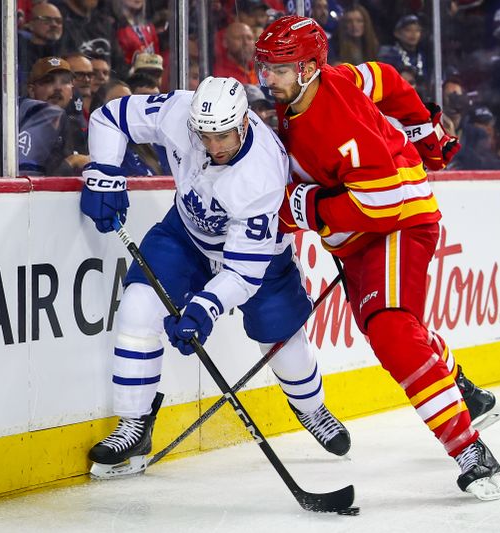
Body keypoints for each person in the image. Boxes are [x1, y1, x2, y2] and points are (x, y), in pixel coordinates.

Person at [255, 16, 500, 501]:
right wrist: (423, 131)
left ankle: (469, 451)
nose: (269, 78)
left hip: (397, 223)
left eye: (280, 68)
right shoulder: (329, 80)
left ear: (309, 67)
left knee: (391, 329)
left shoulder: (335, 119)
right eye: (265, 66)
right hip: (360, 236)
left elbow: (381, 203)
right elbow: (387, 78)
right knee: (395, 326)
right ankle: (464, 392)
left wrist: (300, 207)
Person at [80, 76, 351, 478]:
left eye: (223, 136)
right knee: (137, 309)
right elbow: (108, 118)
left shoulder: (261, 175)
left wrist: (204, 308)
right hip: (185, 233)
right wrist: (105, 172)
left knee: (282, 343)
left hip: (258, 257)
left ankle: (312, 409)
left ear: (243, 123)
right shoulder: (178, 112)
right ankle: (134, 424)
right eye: (204, 136)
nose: (213, 147)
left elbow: (241, 272)